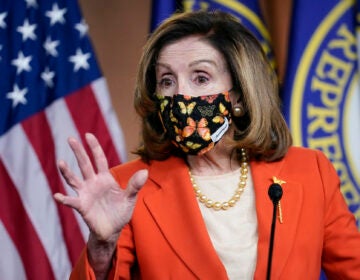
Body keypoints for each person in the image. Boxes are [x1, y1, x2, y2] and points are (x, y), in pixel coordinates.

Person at [54, 10, 360, 279]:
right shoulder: (129, 187)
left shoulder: (309, 171)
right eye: (166, 81)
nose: (180, 95)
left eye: (200, 78)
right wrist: (102, 247)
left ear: (239, 94)